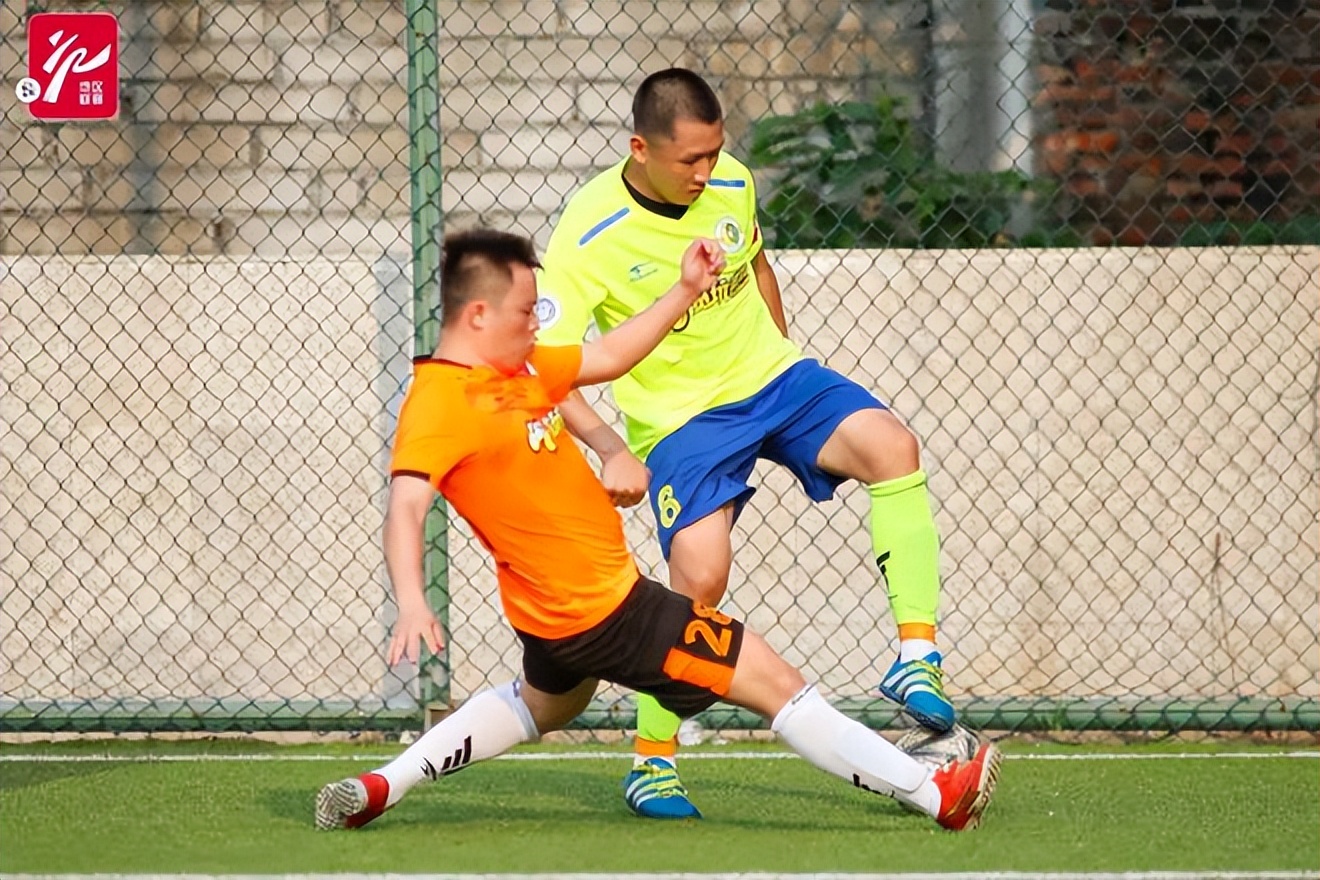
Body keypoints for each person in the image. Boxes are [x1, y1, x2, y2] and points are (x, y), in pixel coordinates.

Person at [314, 228, 1000, 833]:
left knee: (541, 709)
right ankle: (936, 794)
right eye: (527, 313)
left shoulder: (515, 369)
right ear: (478, 315)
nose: (538, 324)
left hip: (552, 620)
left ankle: (383, 785)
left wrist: (684, 291)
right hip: (612, 613)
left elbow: (609, 353)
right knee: (776, 683)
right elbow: (406, 505)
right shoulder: (438, 402)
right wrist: (410, 597)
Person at [534, 67, 958, 819]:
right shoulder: (586, 232)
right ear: (640, 149)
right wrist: (609, 447)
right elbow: (550, 369)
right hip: (679, 421)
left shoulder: (731, 181)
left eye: (716, 153)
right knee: (701, 573)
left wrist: (786, 364)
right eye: (689, 160)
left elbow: (756, 264)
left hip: (771, 379)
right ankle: (652, 764)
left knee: (892, 445)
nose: (708, 173)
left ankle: (915, 658)